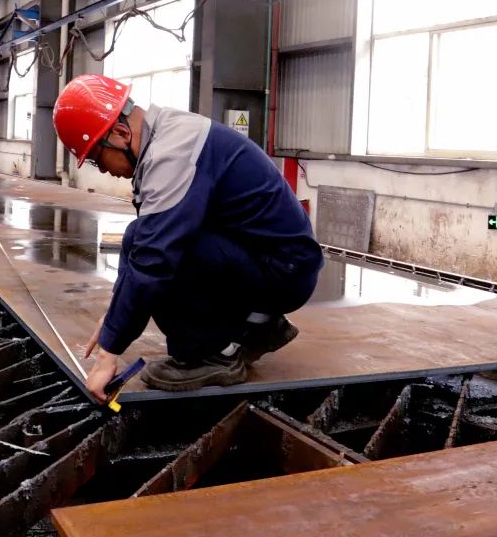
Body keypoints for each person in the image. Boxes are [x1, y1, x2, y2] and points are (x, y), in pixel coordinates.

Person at [54, 74, 323, 398]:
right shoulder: (165, 136)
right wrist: (112, 317)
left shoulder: (172, 153)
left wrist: (109, 353)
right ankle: (256, 324)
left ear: (121, 133)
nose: (102, 169)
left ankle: (212, 355)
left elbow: (154, 260)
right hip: (265, 257)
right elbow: (141, 244)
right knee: (138, 236)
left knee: (169, 257)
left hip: (284, 270)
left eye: (97, 158)